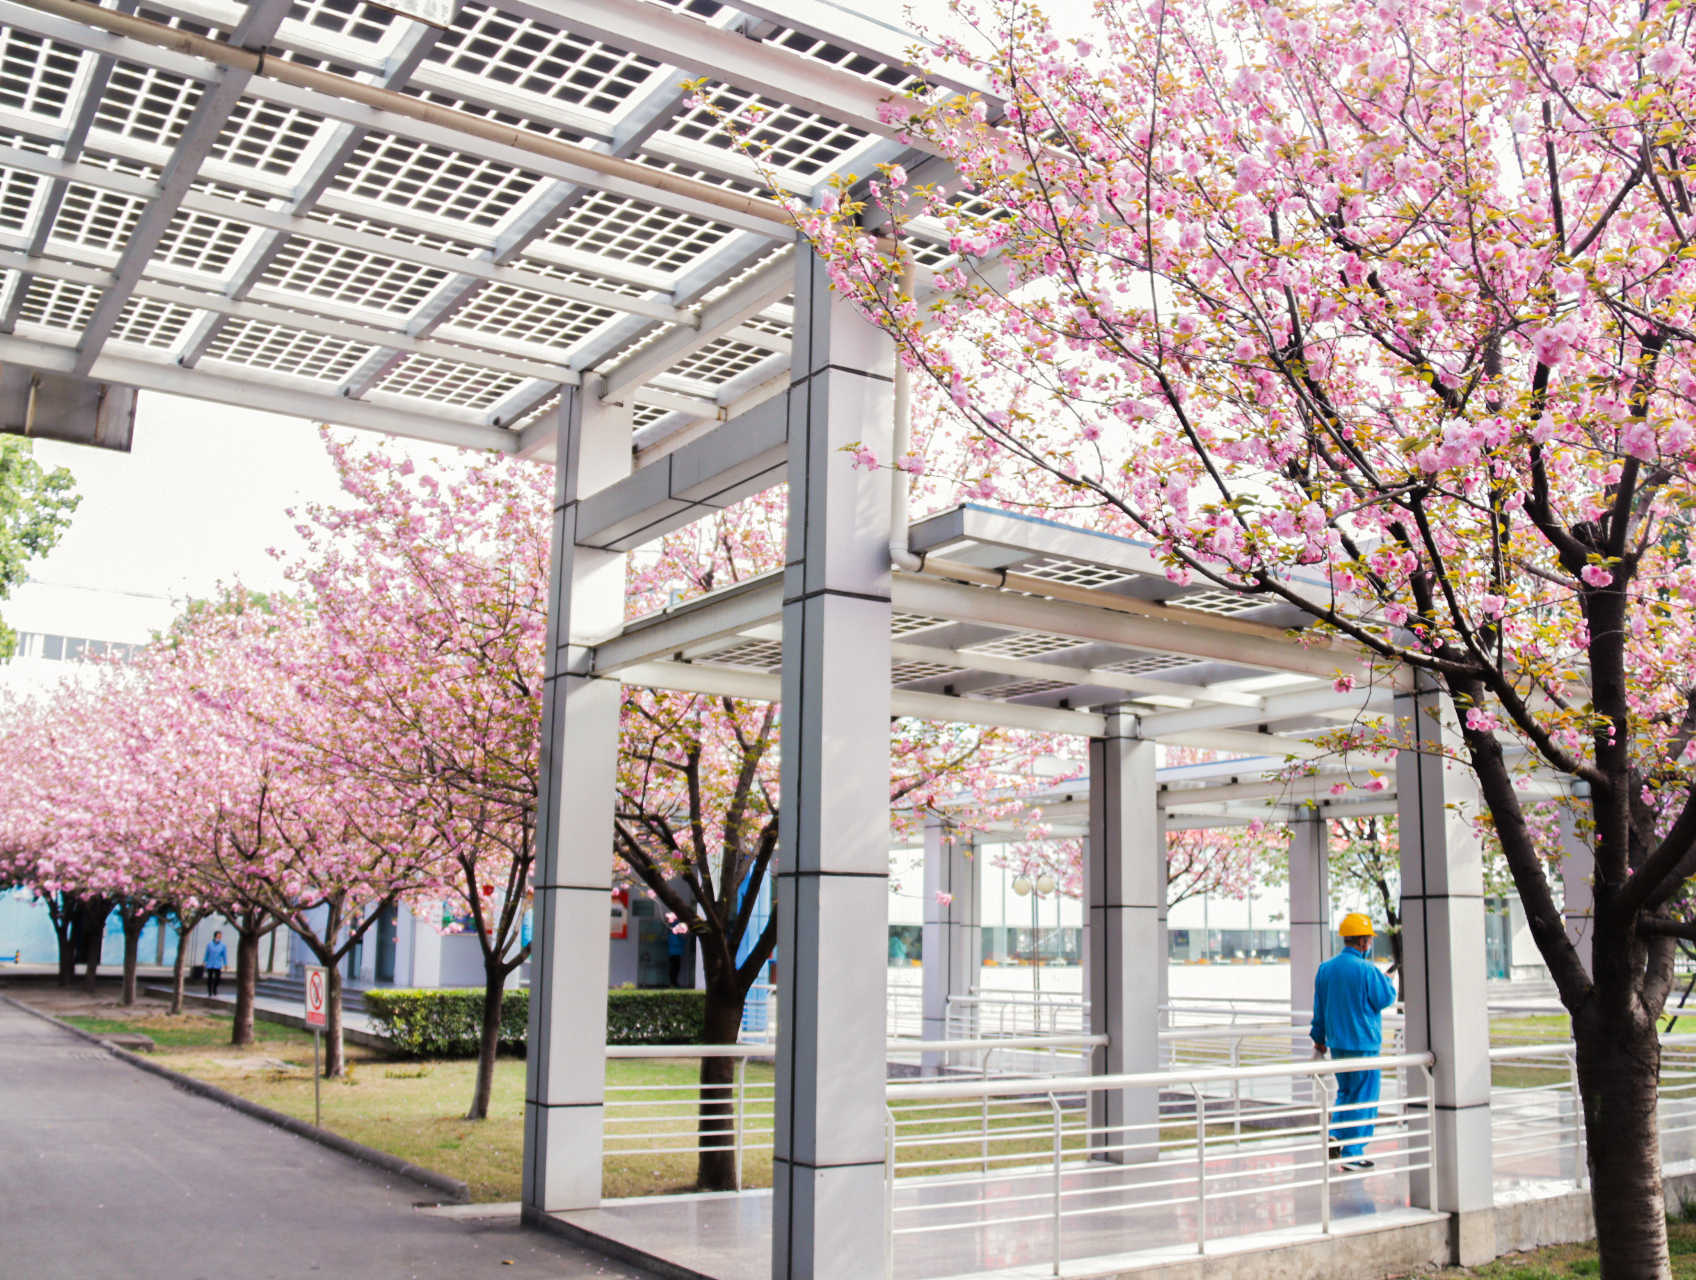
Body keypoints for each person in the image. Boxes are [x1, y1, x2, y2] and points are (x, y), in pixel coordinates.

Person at [1310, 913, 1397, 1170]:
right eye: (1369, 939)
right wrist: (1388, 981)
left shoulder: (1325, 969)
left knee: (1346, 1093)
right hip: (1364, 1045)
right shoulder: (1366, 970)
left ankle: (1336, 1133)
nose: (1369, 943)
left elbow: (1319, 1008)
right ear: (1362, 941)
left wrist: (1319, 1040)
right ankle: (1353, 1153)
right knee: (1364, 1098)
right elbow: (1383, 999)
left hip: (1337, 1045)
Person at [203, 930, 228, 999]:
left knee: (217, 978)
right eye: (218, 935)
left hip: (218, 964)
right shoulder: (209, 944)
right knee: (210, 978)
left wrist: (225, 963)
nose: (219, 937)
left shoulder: (223, 945)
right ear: (215, 936)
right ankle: (209, 992)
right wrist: (204, 961)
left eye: (220, 935)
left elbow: (224, 955)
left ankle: (214, 988)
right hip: (210, 964)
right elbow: (207, 953)